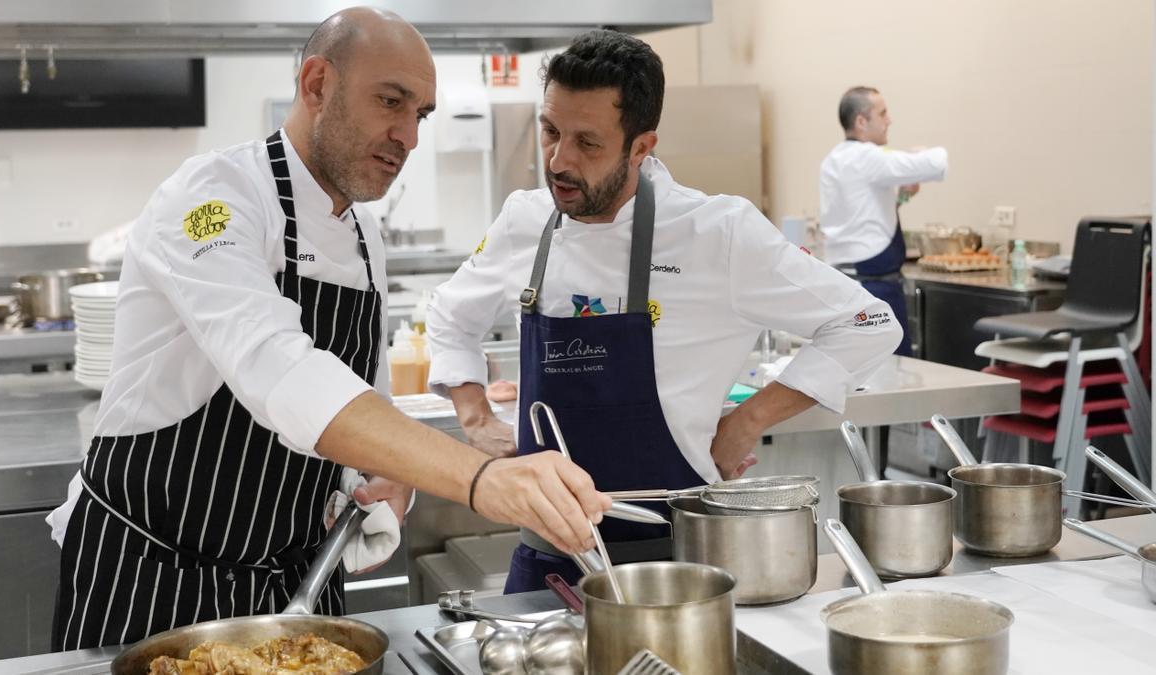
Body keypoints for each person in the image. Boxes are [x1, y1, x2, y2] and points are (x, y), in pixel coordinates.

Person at [48, 7, 610, 651]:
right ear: (317, 85)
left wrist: (380, 476)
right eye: (390, 102)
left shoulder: (365, 234)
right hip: (155, 580)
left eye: (420, 115)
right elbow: (279, 370)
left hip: (295, 584)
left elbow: (357, 398)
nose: (409, 136)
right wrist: (479, 479)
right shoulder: (212, 200)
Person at [426, 30, 902, 593]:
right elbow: (450, 316)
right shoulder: (525, 221)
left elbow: (868, 323)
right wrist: (476, 416)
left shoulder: (717, 232)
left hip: (678, 562)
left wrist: (747, 423)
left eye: (588, 142)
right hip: (547, 562)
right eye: (550, 131)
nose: (559, 160)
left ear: (641, 146)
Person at [818, 86, 948, 356]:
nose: (889, 120)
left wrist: (900, 199)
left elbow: (865, 215)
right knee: (891, 369)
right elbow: (934, 164)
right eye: (883, 113)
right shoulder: (867, 157)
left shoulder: (834, 159)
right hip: (873, 286)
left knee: (858, 366)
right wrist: (920, 153)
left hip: (846, 279)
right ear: (861, 122)